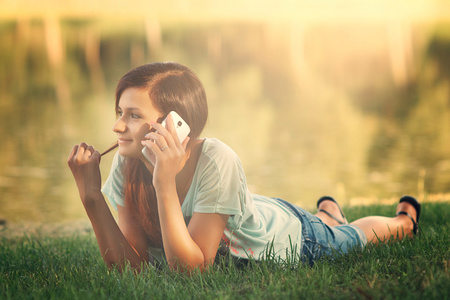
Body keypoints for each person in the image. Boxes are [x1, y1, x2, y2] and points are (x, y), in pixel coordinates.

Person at [68, 62, 421, 272]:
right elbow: (132, 266)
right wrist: (91, 197)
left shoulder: (218, 161)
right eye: (120, 113)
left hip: (289, 237)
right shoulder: (127, 165)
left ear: (175, 124)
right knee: (330, 225)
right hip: (248, 210)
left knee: (351, 239)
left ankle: (402, 222)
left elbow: (191, 270)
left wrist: (164, 183)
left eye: (133, 115)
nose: (117, 127)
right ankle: (327, 213)